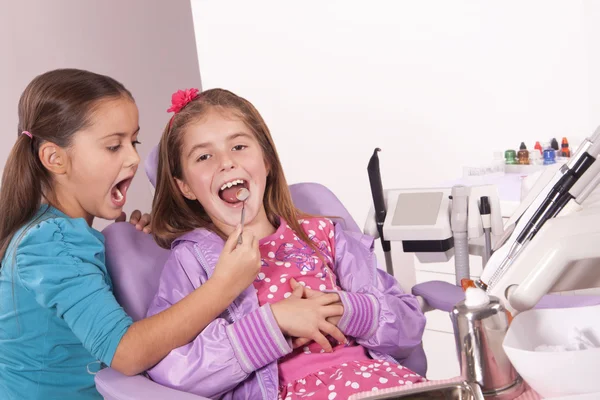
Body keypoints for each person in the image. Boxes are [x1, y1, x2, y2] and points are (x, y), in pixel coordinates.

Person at [148, 87, 427, 399]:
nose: (226, 163)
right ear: (185, 186)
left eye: (239, 146)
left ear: (266, 161)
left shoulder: (323, 235)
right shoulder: (192, 260)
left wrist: (350, 310)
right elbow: (171, 367)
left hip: (380, 384)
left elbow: (409, 325)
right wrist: (272, 324)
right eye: (204, 156)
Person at [0, 70, 261, 399]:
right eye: (113, 146)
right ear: (55, 158)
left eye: (133, 142)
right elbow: (126, 353)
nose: (134, 157)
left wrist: (123, 244)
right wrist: (225, 284)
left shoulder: (59, 233)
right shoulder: (49, 242)